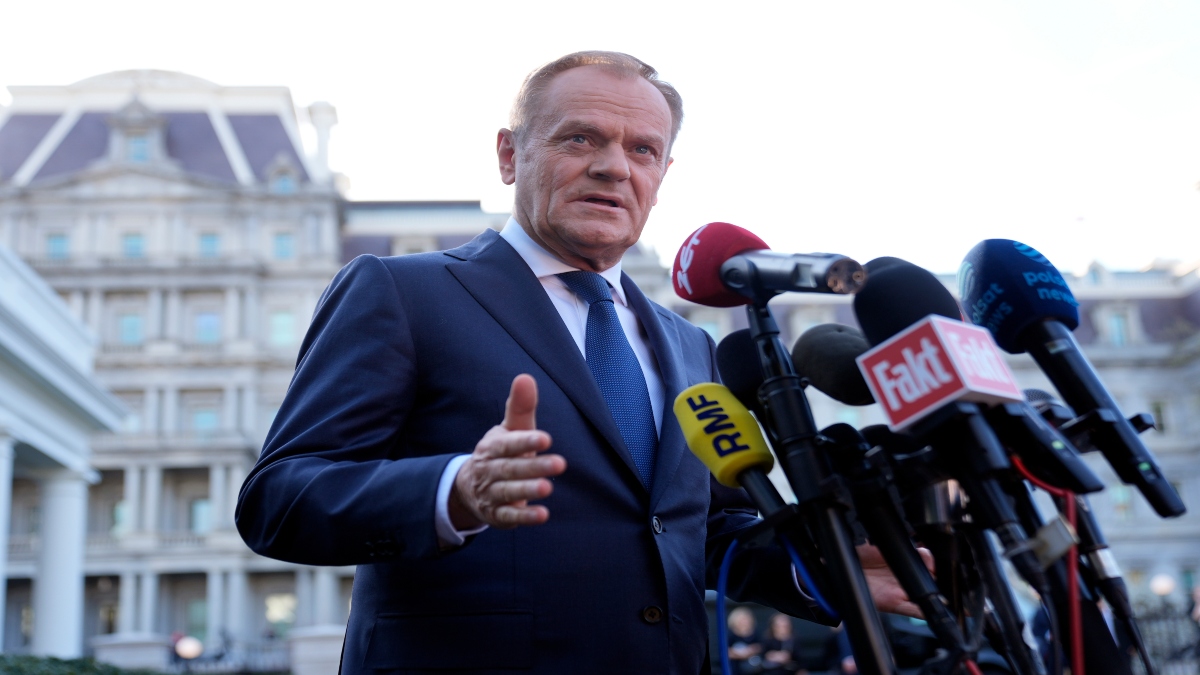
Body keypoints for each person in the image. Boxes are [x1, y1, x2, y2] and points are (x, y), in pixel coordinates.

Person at [236, 50, 916, 674]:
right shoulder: (400, 291)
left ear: (660, 177)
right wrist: (454, 491)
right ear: (509, 155)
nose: (614, 166)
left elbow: (705, 531)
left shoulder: (690, 346)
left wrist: (828, 567)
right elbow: (281, 498)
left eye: (642, 149)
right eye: (580, 137)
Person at [727, 607, 764, 674]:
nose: (744, 622)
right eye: (741, 620)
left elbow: (761, 647)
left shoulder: (756, 634)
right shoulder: (730, 636)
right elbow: (726, 652)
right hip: (735, 669)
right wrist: (740, 655)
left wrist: (750, 650)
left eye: (745, 619)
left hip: (753, 669)